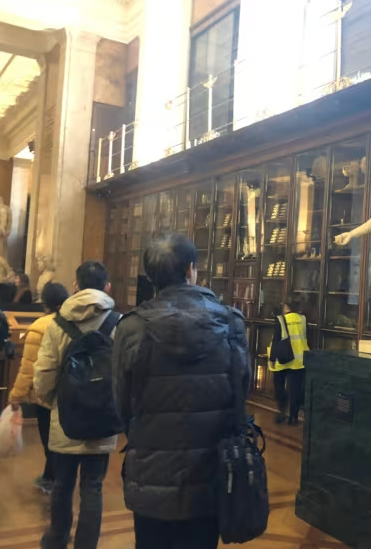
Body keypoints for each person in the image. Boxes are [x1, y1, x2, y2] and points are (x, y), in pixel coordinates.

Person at [113, 234, 251, 549]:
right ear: (191, 269)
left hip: (151, 470)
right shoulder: (231, 323)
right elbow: (240, 394)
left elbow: (121, 403)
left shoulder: (131, 327)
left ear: (150, 276)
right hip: (211, 470)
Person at [34, 262, 118, 549]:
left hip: (66, 415)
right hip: (103, 414)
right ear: (108, 287)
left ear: (76, 286)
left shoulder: (58, 322)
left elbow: (45, 370)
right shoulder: (118, 322)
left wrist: (49, 400)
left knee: (62, 483)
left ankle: (57, 538)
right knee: (93, 487)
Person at [8, 282, 70, 495]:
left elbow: (28, 368)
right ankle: (54, 477)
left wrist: (16, 395)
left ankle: (54, 480)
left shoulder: (39, 326)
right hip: (71, 392)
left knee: (49, 440)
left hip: (45, 394)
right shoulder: (76, 322)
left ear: (45, 303)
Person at [268, 298, 309, 425]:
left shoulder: (280, 319)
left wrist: (272, 358)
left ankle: (282, 411)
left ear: (286, 307)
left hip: (282, 359)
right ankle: (293, 417)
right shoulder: (303, 319)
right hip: (299, 359)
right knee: (296, 389)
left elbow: (276, 340)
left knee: (279, 387)